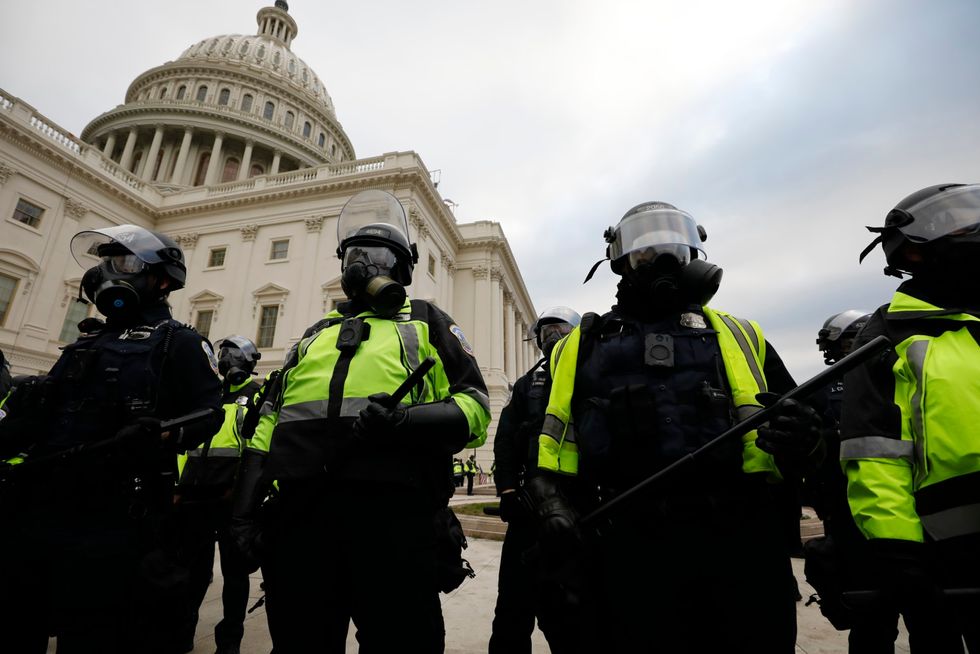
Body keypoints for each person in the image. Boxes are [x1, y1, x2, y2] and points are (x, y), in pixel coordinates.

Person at [530, 201, 823, 652]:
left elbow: (807, 432)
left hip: (741, 539)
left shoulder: (742, 334)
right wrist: (550, 502)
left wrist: (807, 438)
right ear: (620, 262)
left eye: (674, 250)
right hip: (632, 542)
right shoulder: (579, 346)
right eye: (646, 253)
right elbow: (553, 443)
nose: (662, 262)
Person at [230, 189, 491, 652]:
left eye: (378, 258)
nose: (364, 268)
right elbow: (266, 427)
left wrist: (405, 421)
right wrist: (243, 515)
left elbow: (473, 409)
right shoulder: (314, 336)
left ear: (404, 269)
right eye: (355, 256)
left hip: (392, 518)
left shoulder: (428, 322)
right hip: (301, 518)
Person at [0, 224, 223, 653]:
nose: (107, 273)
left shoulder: (179, 342)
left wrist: (158, 434)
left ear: (161, 278)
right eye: (104, 262)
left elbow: (208, 414)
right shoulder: (85, 342)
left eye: (122, 263)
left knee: (94, 635)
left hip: (115, 520)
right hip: (42, 512)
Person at [842, 182, 980, 652]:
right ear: (917, 250)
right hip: (950, 552)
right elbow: (875, 454)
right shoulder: (889, 334)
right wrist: (899, 554)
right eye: (962, 219)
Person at [489, 306, 581, 654]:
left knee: (571, 614)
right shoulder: (528, 383)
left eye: (558, 329)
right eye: (544, 333)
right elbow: (506, 439)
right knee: (512, 611)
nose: (551, 338)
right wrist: (508, 489)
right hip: (528, 510)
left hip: (579, 508)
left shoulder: (592, 373)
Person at [175, 335, 263, 654]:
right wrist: (179, 489)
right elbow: (187, 448)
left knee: (235, 577)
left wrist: (243, 495)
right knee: (192, 575)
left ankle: (229, 643)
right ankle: (183, 634)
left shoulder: (256, 395)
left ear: (245, 360)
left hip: (231, 500)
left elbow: (255, 447)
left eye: (228, 353)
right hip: (195, 497)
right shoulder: (208, 396)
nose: (222, 358)